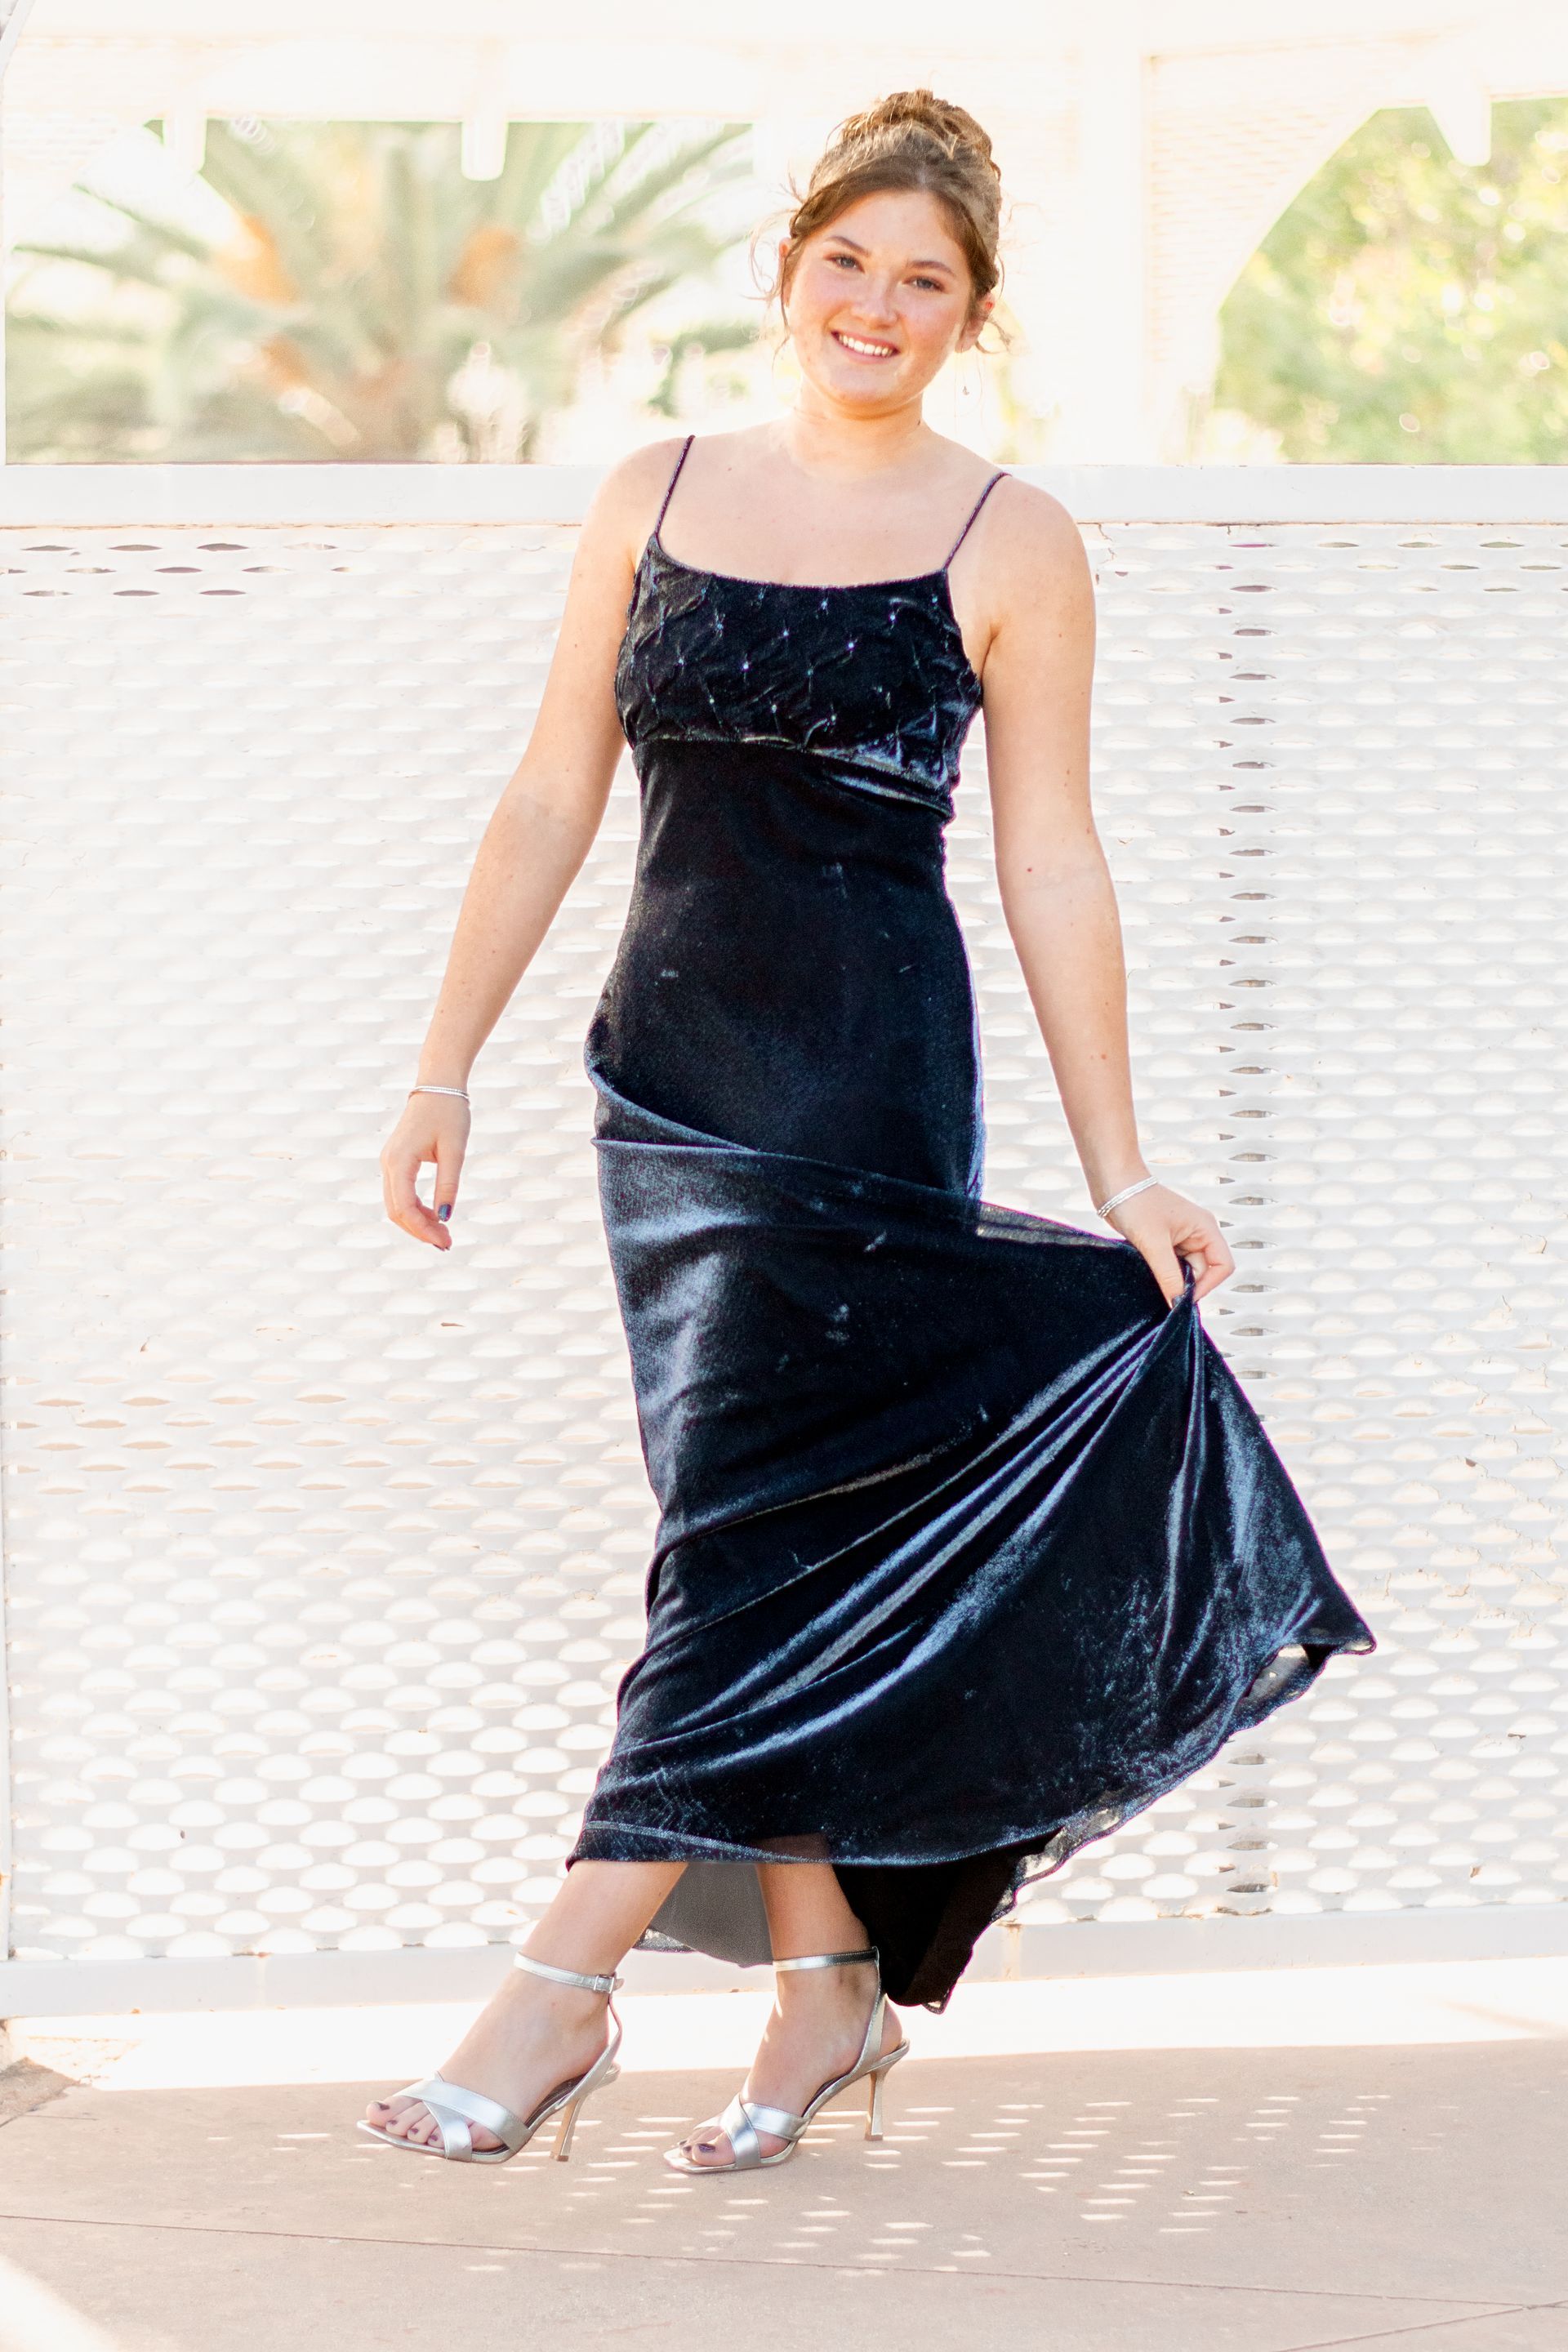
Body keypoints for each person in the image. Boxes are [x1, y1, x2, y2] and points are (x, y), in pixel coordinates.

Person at [364, 90, 1373, 2177]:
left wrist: (1120, 1170)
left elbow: (1057, 865)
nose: (875, 305)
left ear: (968, 315)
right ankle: (826, 1995)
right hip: (663, 1088)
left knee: (745, 1549)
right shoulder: (651, 490)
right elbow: (556, 791)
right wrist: (442, 1062)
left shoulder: (1011, 536)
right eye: (848, 263)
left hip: (863, 1092)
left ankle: (560, 1987)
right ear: (791, 268)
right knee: (771, 1549)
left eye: (924, 282)